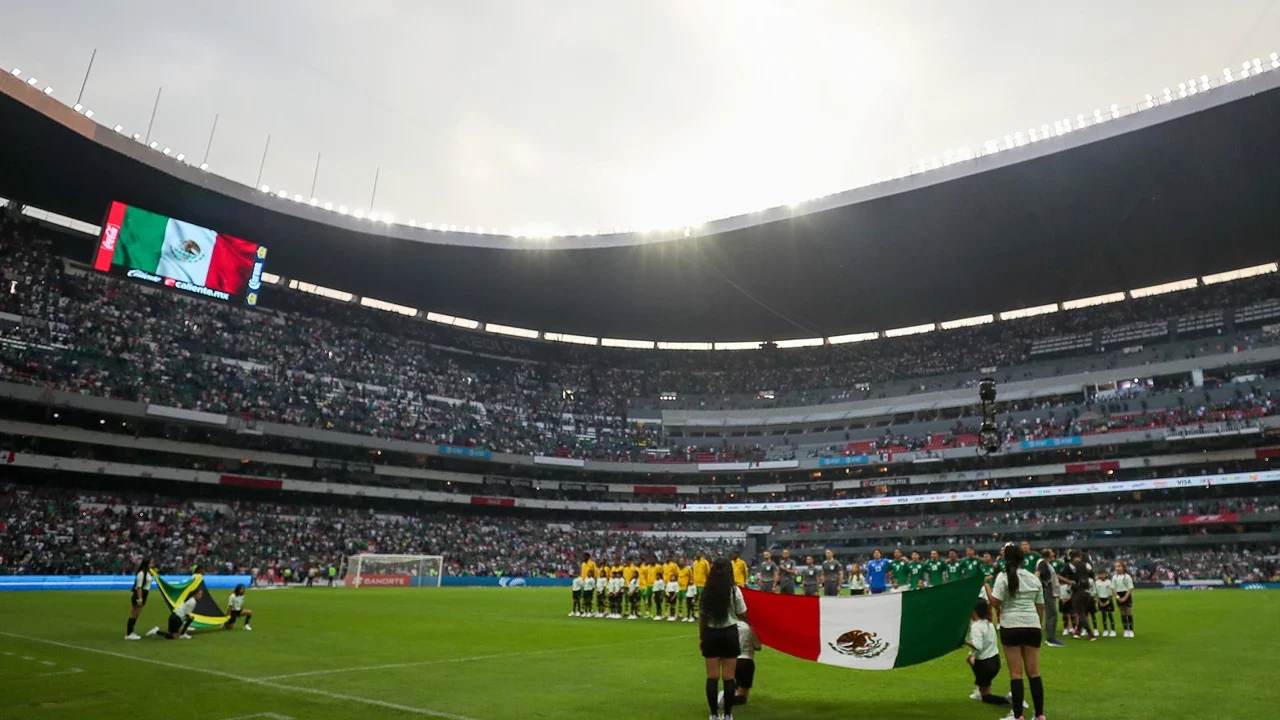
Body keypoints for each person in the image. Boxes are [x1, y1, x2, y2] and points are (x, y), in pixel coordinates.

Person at [988, 543, 1046, 720]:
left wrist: (986, 586)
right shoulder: (1033, 578)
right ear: (1023, 559)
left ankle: (1018, 715)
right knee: (1034, 673)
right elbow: (1041, 606)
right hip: (1032, 625)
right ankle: (1039, 715)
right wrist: (1039, 626)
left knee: (1016, 673)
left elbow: (995, 603)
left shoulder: (1003, 577)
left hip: (1011, 626)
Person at [700, 558, 748, 720]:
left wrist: (702, 637)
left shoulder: (707, 590)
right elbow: (742, 613)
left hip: (711, 633)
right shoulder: (734, 590)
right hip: (729, 633)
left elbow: (703, 617)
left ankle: (713, 715)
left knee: (712, 676)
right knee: (729, 677)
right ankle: (727, 715)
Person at [966, 599, 1009, 706]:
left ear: (974, 611)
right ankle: (980, 686)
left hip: (986, 665)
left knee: (986, 697)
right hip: (995, 661)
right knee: (970, 659)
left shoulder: (976, 626)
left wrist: (964, 641)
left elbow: (978, 647)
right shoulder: (989, 624)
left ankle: (1010, 700)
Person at [720, 621, 761, 712]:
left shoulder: (728, 627)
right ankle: (723, 700)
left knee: (735, 685)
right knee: (743, 696)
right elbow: (758, 646)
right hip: (745, 661)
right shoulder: (749, 628)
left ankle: (727, 697)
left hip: (731, 660)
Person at [1035, 549, 1064, 647]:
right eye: (1051, 552)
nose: (1053, 553)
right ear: (1048, 555)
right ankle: (1050, 638)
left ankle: (1051, 637)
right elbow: (1038, 574)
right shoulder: (1043, 563)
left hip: (1049, 590)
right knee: (1052, 614)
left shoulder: (1047, 564)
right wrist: (1040, 586)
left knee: (1052, 614)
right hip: (1047, 590)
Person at [125, 557, 152, 640]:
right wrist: (140, 598)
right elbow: (138, 587)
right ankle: (129, 633)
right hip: (140, 594)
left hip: (144, 594)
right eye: (151, 563)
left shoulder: (147, 572)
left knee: (137, 614)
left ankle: (131, 632)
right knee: (134, 614)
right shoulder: (141, 573)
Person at [1112, 560, 1136, 637]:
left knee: (1128, 612)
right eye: (1116, 567)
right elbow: (1113, 589)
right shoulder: (1114, 577)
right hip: (1119, 595)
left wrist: (1125, 597)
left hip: (1126, 595)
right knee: (1122, 613)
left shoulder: (1127, 576)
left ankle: (1131, 630)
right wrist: (1118, 597)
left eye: (1119, 566)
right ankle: (1126, 630)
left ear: (1123, 567)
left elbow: (1130, 588)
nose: (1117, 568)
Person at [1094, 569, 1116, 637]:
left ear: (1106, 574)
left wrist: (1108, 601)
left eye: (1103, 574)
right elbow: (1096, 593)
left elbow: (1111, 593)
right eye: (1100, 574)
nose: (1102, 575)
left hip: (1108, 599)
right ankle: (1105, 630)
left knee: (1110, 615)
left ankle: (1113, 630)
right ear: (1098, 575)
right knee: (1103, 615)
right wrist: (1099, 602)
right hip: (1101, 599)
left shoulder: (1109, 582)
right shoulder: (1097, 582)